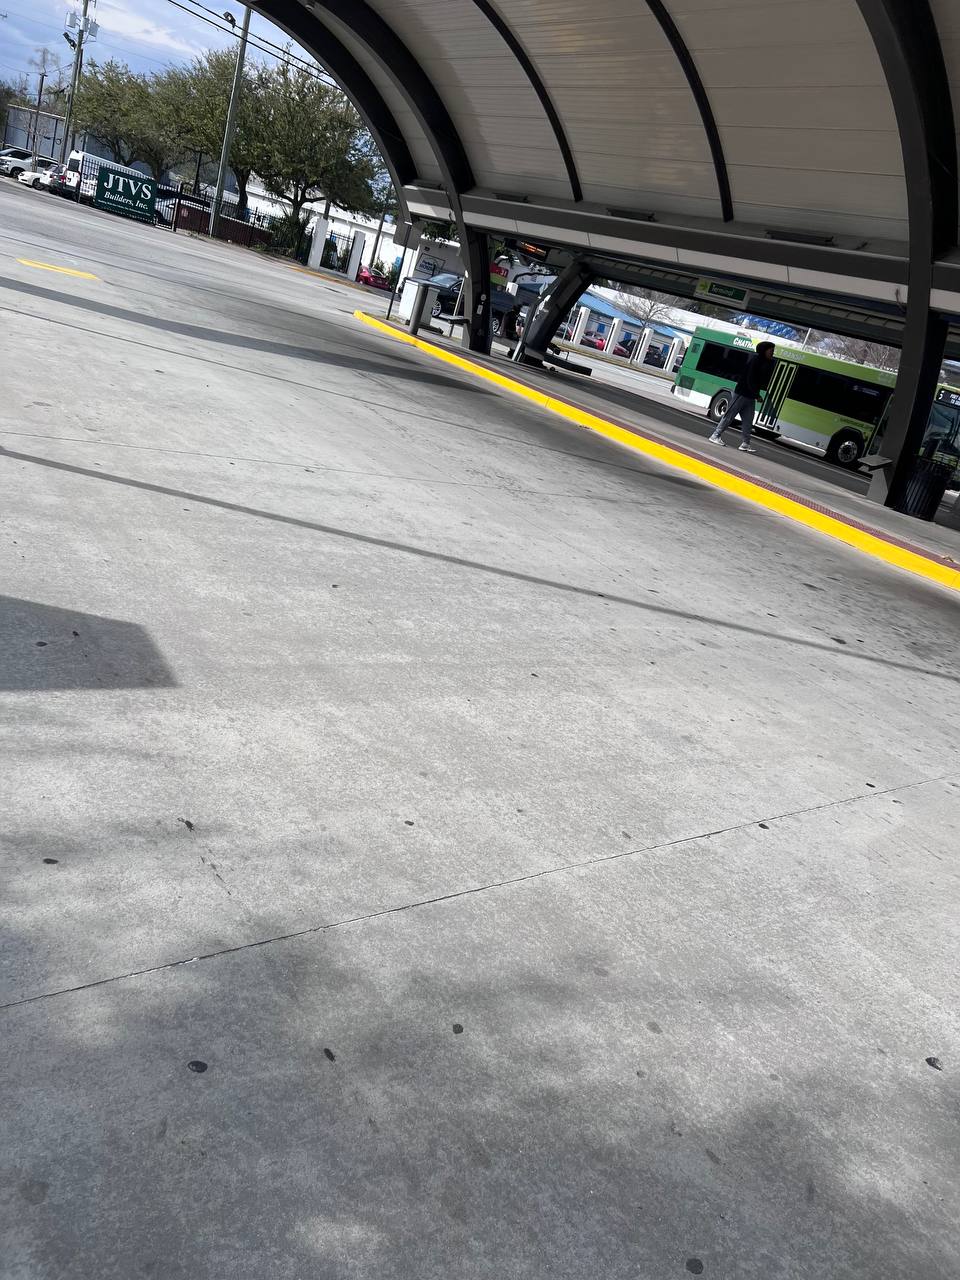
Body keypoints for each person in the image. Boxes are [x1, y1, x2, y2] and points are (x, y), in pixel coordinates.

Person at [708, 341, 776, 452]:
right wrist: (757, 395)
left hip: (750, 396)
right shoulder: (755, 360)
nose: (773, 353)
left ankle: (745, 443)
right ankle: (715, 435)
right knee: (730, 415)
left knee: (748, 420)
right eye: (771, 350)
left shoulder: (765, 362)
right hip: (741, 393)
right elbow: (750, 379)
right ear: (764, 350)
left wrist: (755, 394)